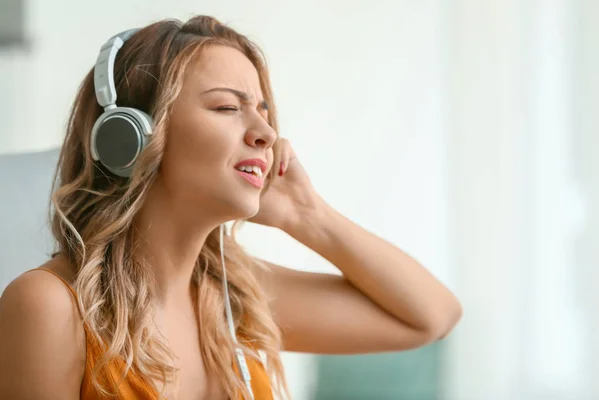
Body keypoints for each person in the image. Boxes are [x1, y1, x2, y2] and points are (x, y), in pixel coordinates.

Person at [0, 15, 462, 400]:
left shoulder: (234, 295)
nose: (265, 132)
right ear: (132, 136)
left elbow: (432, 317)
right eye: (226, 107)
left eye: (263, 110)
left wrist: (307, 215)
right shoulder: (50, 306)